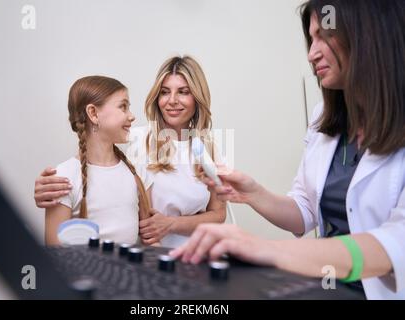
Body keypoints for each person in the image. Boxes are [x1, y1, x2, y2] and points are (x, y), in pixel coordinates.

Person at [170, 0, 405, 300]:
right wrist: (252, 193)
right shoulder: (324, 118)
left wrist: (265, 248)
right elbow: (304, 211)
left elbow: (396, 243)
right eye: (311, 38)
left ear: (370, 34)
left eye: (325, 35)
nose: (311, 53)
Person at [35, 56, 226, 248]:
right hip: (146, 258)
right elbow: (96, 163)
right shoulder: (134, 138)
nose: (172, 101)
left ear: (197, 97)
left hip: (195, 251)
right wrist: (46, 189)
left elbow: (219, 213)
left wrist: (172, 224)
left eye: (184, 92)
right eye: (164, 92)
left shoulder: (208, 147)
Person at [45, 75, 151, 246]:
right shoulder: (64, 177)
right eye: (123, 107)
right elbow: (54, 251)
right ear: (93, 113)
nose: (132, 116)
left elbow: (151, 242)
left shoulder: (134, 173)